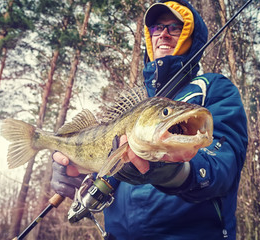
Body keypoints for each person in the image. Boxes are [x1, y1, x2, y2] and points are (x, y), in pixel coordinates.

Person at [51, 0, 248, 239]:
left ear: (190, 36)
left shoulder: (214, 88)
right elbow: (110, 167)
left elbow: (223, 166)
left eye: (174, 27)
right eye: (157, 27)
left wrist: (173, 173)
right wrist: (79, 173)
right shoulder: (136, 105)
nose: (163, 34)